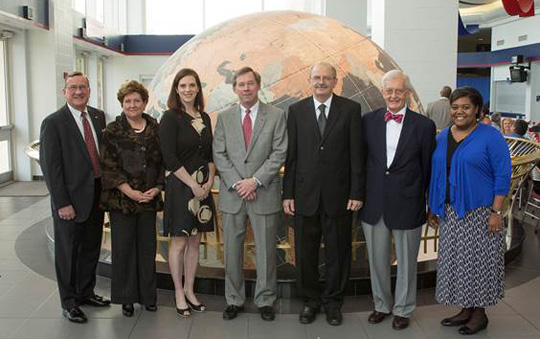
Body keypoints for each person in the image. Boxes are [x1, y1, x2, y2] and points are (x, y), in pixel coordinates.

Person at [282, 62, 363, 326]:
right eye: (316, 78)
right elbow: (291, 157)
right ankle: (310, 301)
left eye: (326, 78)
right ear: (309, 80)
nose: (321, 82)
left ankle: (333, 303)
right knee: (305, 254)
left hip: (339, 196)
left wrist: (356, 191)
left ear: (335, 80)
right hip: (304, 195)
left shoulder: (351, 110)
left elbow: (356, 156)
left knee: (338, 253)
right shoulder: (295, 111)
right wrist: (288, 194)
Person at [427, 86, 511, 335]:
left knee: (480, 264)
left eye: (465, 107)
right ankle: (465, 309)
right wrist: (434, 206)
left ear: (477, 110)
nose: (459, 112)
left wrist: (496, 211)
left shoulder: (490, 136)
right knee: (457, 263)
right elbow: (437, 173)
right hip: (452, 212)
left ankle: (479, 314)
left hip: (481, 212)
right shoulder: (443, 136)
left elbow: (502, 174)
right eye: (455, 107)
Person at [361, 70, 436, 330]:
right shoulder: (367, 121)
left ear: (407, 93)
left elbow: (428, 168)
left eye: (399, 90)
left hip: (408, 202)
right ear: (382, 93)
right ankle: (381, 304)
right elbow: (361, 163)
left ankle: (403, 308)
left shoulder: (424, 125)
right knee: (377, 260)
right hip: (374, 204)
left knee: (406, 262)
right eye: (389, 90)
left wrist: (428, 204)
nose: (394, 95)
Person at [213, 66, 287, 322]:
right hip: (233, 195)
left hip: (263, 193)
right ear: (234, 89)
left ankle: (265, 300)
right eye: (241, 84)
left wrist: (254, 182)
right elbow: (219, 155)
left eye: (250, 83)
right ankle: (234, 299)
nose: (246, 88)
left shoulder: (276, 116)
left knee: (267, 251)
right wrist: (238, 184)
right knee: (232, 251)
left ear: (258, 85)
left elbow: (279, 152)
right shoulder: (224, 118)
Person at [39, 72, 110, 324]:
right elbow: (51, 167)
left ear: (89, 90)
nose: (78, 92)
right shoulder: (54, 122)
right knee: (68, 252)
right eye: (73, 88)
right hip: (70, 201)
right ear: (64, 92)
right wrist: (62, 203)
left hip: (96, 196)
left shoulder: (99, 116)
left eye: (83, 87)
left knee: (91, 248)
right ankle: (69, 303)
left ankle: (86, 292)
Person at [100, 80, 164, 317]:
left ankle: (148, 297)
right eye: (128, 101)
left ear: (145, 102)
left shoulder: (155, 127)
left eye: (137, 100)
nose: (133, 104)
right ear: (122, 103)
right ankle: (126, 298)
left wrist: (157, 189)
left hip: (149, 198)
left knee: (148, 249)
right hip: (122, 200)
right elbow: (108, 165)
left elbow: (161, 162)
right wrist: (129, 191)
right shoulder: (112, 130)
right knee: (124, 249)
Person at [159, 68, 215, 318]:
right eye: (183, 86)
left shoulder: (204, 116)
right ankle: (179, 293)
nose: (188, 90)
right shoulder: (170, 118)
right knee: (179, 242)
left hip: (203, 188)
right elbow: (169, 157)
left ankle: (191, 290)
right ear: (176, 89)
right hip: (182, 187)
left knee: (195, 241)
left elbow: (209, 155)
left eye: (192, 85)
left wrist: (209, 181)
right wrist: (192, 184)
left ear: (198, 89)